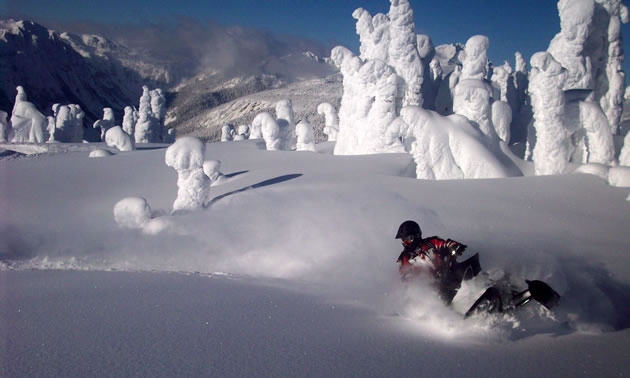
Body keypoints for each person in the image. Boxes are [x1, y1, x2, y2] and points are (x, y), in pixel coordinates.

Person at [395, 220, 479, 304]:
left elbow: (445, 244)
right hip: (432, 288)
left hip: (449, 272)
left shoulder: (430, 243)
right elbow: (405, 275)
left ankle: (482, 286)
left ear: (417, 235)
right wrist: (412, 281)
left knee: (468, 265)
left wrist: (454, 246)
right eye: (403, 240)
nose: (406, 243)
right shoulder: (404, 258)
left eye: (409, 239)